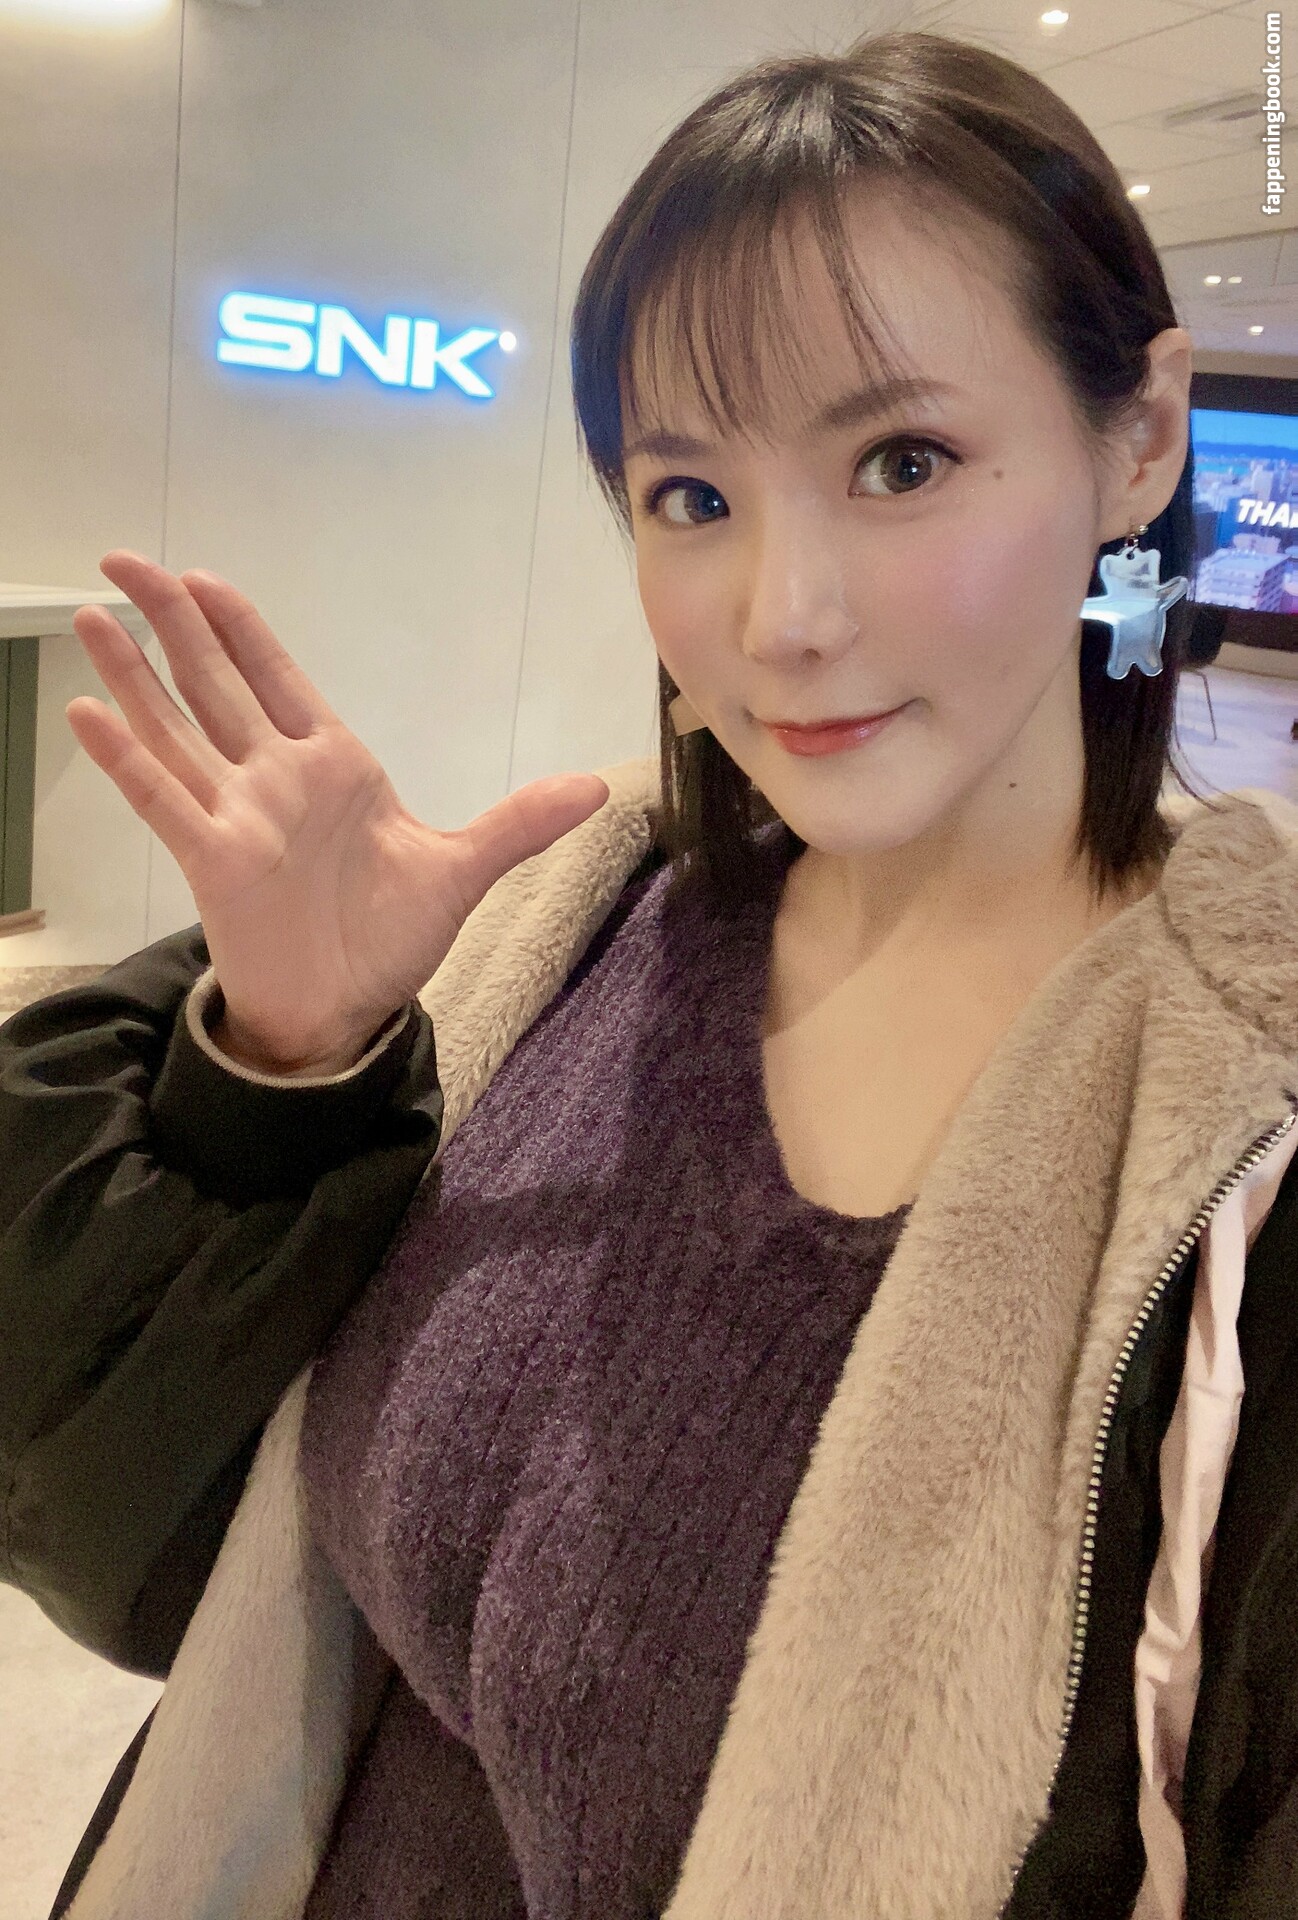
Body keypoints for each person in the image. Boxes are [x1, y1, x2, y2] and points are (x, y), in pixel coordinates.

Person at [1, 28, 1296, 1920]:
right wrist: (291, 1057)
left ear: (1141, 438)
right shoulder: (574, 926)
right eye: (690, 497)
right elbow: (138, 1537)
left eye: (902, 461)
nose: (779, 617)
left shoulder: (1241, 1168)